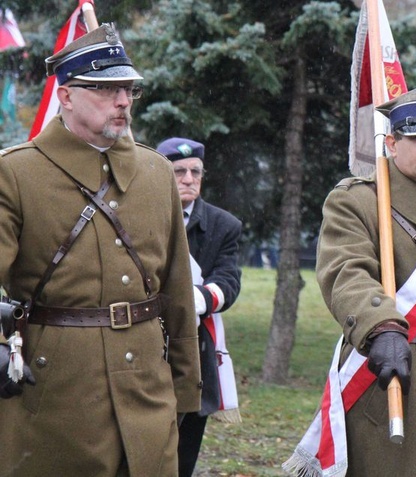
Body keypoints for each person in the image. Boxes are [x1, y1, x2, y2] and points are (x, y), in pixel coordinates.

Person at [0, 24, 201, 476]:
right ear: (66, 96)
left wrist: (186, 386)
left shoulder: (154, 172)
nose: (123, 101)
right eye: (106, 89)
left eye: (128, 88)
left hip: (148, 393)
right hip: (55, 397)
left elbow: (177, 290)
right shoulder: (14, 174)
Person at [285, 84, 416, 476]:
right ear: (392, 142)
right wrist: (381, 326)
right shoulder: (356, 201)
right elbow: (345, 271)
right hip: (392, 386)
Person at [157, 137, 243, 477]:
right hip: (144, 342)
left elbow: (228, 282)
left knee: (183, 453)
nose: (189, 179)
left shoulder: (224, 225)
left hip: (195, 350)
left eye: (195, 171)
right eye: (179, 172)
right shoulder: (139, 216)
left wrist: (194, 299)